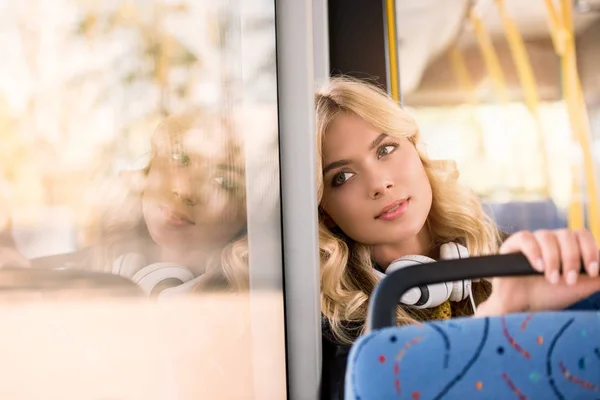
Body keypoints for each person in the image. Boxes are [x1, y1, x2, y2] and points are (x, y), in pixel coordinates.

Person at [315, 76, 600, 399]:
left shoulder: (514, 261)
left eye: (386, 149)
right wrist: (503, 311)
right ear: (326, 212)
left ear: (416, 149)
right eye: (343, 176)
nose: (379, 183)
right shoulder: (339, 338)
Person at [0, 108, 251, 294]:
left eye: (225, 182)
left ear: (246, 215)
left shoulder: (233, 312)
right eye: (180, 158)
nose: (184, 190)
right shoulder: (100, 262)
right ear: (148, 167)